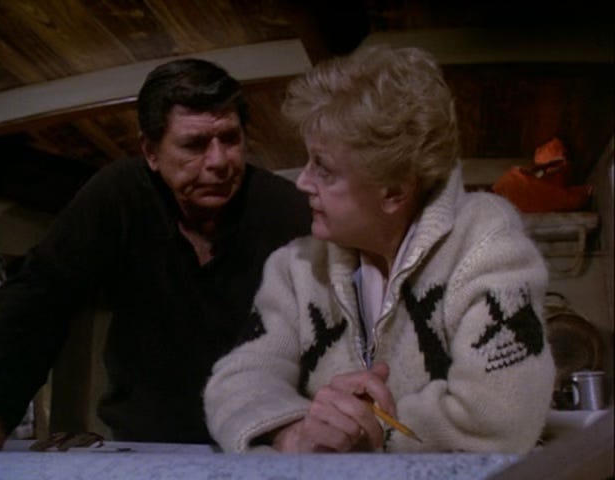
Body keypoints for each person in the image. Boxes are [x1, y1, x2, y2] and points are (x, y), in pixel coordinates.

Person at [204, 45, 556, 454]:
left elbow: (502, 416)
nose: (302, 182)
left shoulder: (485, 244)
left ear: (393, 191)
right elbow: (235, 384)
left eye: (324, 169)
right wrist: (293, 432)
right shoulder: (297, 267)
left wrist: (367, 430)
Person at [0, 58, 311, 450]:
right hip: (146, 440)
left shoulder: (286, 211)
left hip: (262, 439)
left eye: (230, 139)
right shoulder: (118, 194)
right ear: (151, 152)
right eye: (195, 145)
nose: (219, 161)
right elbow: (40, 296)